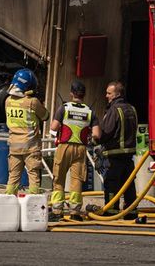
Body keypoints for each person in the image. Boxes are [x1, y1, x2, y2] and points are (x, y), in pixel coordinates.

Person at [49, 80, 98, 218]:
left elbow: (53, 127)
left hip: (64, 147)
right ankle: (75, 212)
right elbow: (97, 134)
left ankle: (57, 211)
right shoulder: (90, 111)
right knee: (77, 180)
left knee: (59, 178)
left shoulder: (64, 108)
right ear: (84, 94)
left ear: (71, 93)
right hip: (81, 149)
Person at [98, 80, 140, 219]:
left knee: (112, 184)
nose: (106, 96)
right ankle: (131, 211)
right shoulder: (132, 109)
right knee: (128, 184)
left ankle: (111, 210)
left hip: (114, 155)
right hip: (128, 155)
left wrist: (96, 139)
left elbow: (107, 132)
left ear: (117, 94)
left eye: (109, 93)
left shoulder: (114, 110)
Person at [4, 68, 48, 195]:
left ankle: (8, 202)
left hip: (14, 146)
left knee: (13, 178)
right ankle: (33, 205)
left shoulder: (8, 101)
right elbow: (45, 116)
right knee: (33, 176)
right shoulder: (32, 102)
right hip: (30, 146)